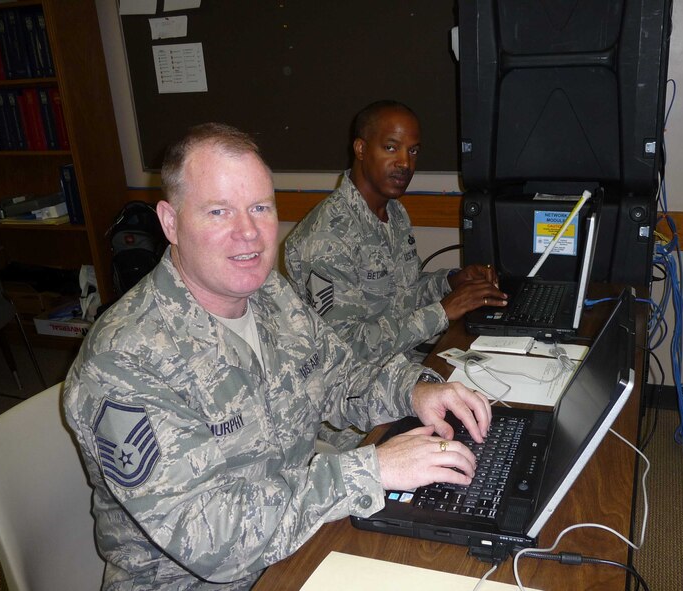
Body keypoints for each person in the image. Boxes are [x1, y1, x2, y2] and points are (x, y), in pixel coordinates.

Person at [62, 123, 492, 589]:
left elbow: (342, 377)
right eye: (219, 211)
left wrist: (413, 391)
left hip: (298, 537)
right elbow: (212, 540)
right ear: (170, 222)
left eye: (260, 208)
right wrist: (374, 469)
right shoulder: (125, 359)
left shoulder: (270, 295)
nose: (248, 233)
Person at [285, 100, 507, 366]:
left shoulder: (395, 213)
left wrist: (451, 282)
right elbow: (345, 347)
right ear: (361, 149)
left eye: (413, 151)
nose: (405, 163)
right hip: (353, 391)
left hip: (400, 363)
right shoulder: (326, 237)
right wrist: (442, 312)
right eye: (391, 147)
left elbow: (401, 294)